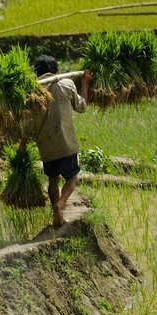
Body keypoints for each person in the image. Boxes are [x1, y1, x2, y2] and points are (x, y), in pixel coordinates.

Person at [33, 54, 93, 229]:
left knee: (53, 179)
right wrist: (85, 84)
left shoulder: (33, 91)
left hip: (45, 146)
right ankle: (60, 204)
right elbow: (82, 106)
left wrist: (22, 145)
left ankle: (57, 218)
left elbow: (27, 124)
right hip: (65, 144)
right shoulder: (66, 84)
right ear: (56, 70)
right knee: (72, 178)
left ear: (37, 73)